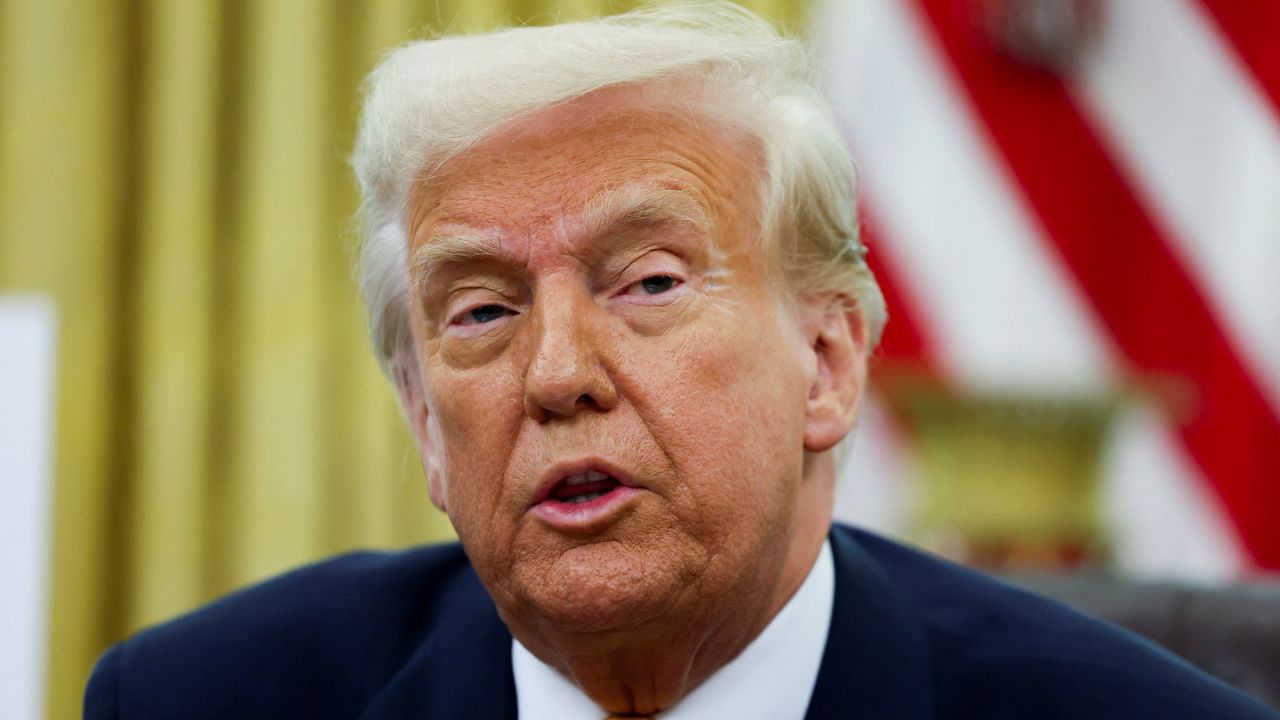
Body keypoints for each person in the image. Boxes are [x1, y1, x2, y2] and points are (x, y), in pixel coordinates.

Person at [84, 2, 1278, 718]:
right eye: (483, 312)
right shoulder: (201, 700)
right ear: (423, 426)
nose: (556, 374)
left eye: (647, 283)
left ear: (826, 363)